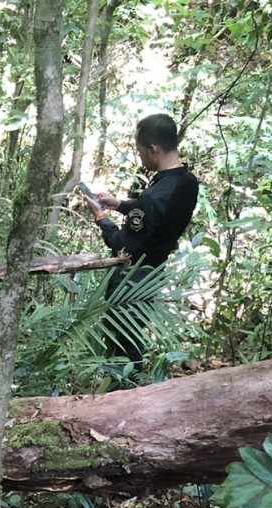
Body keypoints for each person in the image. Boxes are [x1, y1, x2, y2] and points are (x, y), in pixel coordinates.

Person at [84, 112, 200, 369]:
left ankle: (125, 392)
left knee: (122, 342)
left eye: (139, 151)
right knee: (133, 334)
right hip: (154, 272)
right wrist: (121, 205)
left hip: (131, 279)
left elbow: (122, 245)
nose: (140, 156)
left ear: (152, 149)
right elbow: (158, 214)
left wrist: (102, 217)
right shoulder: (186, 181)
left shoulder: (155, 195)